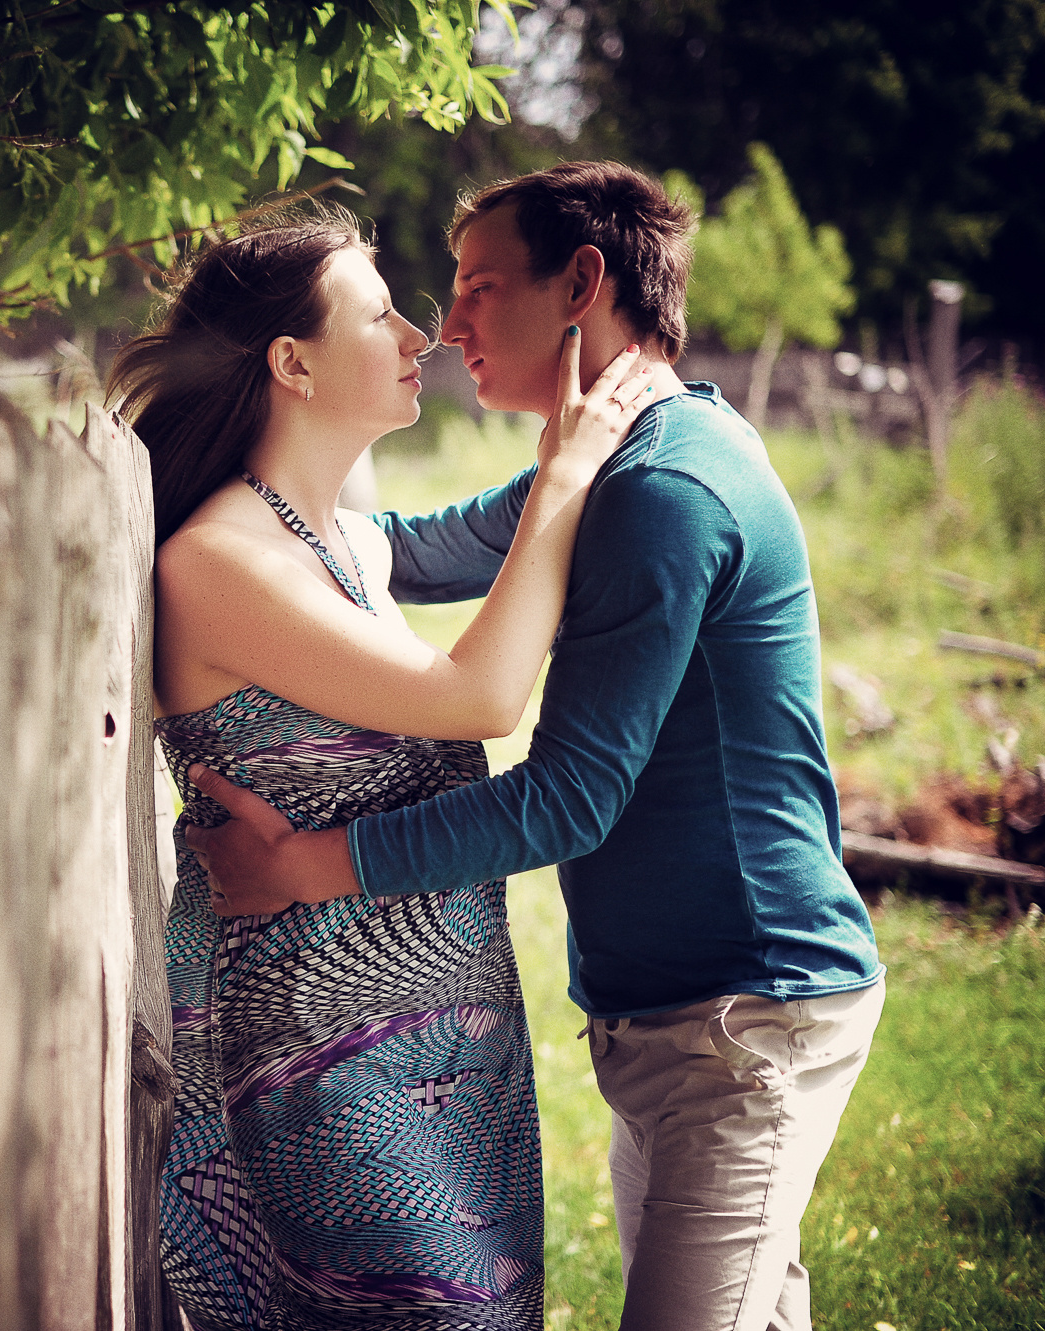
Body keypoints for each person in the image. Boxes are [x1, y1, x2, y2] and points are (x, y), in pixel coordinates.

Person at [185, 164, 885, 1331]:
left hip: (743, 1017)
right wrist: (241, 502)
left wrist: (311, 864)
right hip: (670, 1013)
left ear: (582, 283)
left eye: (477, 286)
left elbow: (567, 799)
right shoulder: (609, 454)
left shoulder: (664, 485)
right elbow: (403, 547)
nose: (446, 324)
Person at [114, 199, 653, 1330]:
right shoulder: (216, 560)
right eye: (381, 312)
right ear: (292, 361)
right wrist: (559, 476)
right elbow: (479, 695)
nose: (419, 337)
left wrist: (614, 398)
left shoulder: (348, 541)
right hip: (326, 1056)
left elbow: (515, 517)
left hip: (460, 1050)